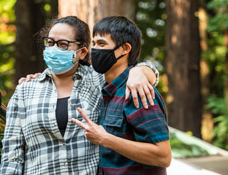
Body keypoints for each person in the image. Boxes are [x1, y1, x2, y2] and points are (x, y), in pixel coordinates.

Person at [0, 16, 158, 174]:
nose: (54, 49)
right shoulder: (25, 90)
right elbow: (12, 153)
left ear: (82, 52)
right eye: (50, 42)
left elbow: (139, 72)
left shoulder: (98, 80)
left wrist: (137, 72)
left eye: (63, 44)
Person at [72, 16, 171, 174]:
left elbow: (163, 156)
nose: (95, 50)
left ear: (125, 48)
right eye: (94, 44)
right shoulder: (106, 91)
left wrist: (105, 139)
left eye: (102, 44)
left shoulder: (137, 91)